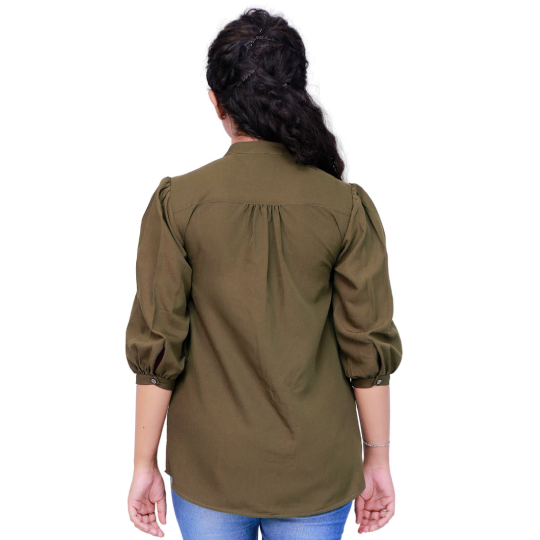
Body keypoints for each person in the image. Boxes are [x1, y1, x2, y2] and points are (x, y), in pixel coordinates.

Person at [125, 7, 403, 540]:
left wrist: (144, 463)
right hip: (316, 468)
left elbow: (159, 347)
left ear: (216, 102)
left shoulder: (177, 203)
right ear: (295, 93)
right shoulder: (345, 207)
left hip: (208, 466)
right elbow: (367, 348)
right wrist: (378, 458)